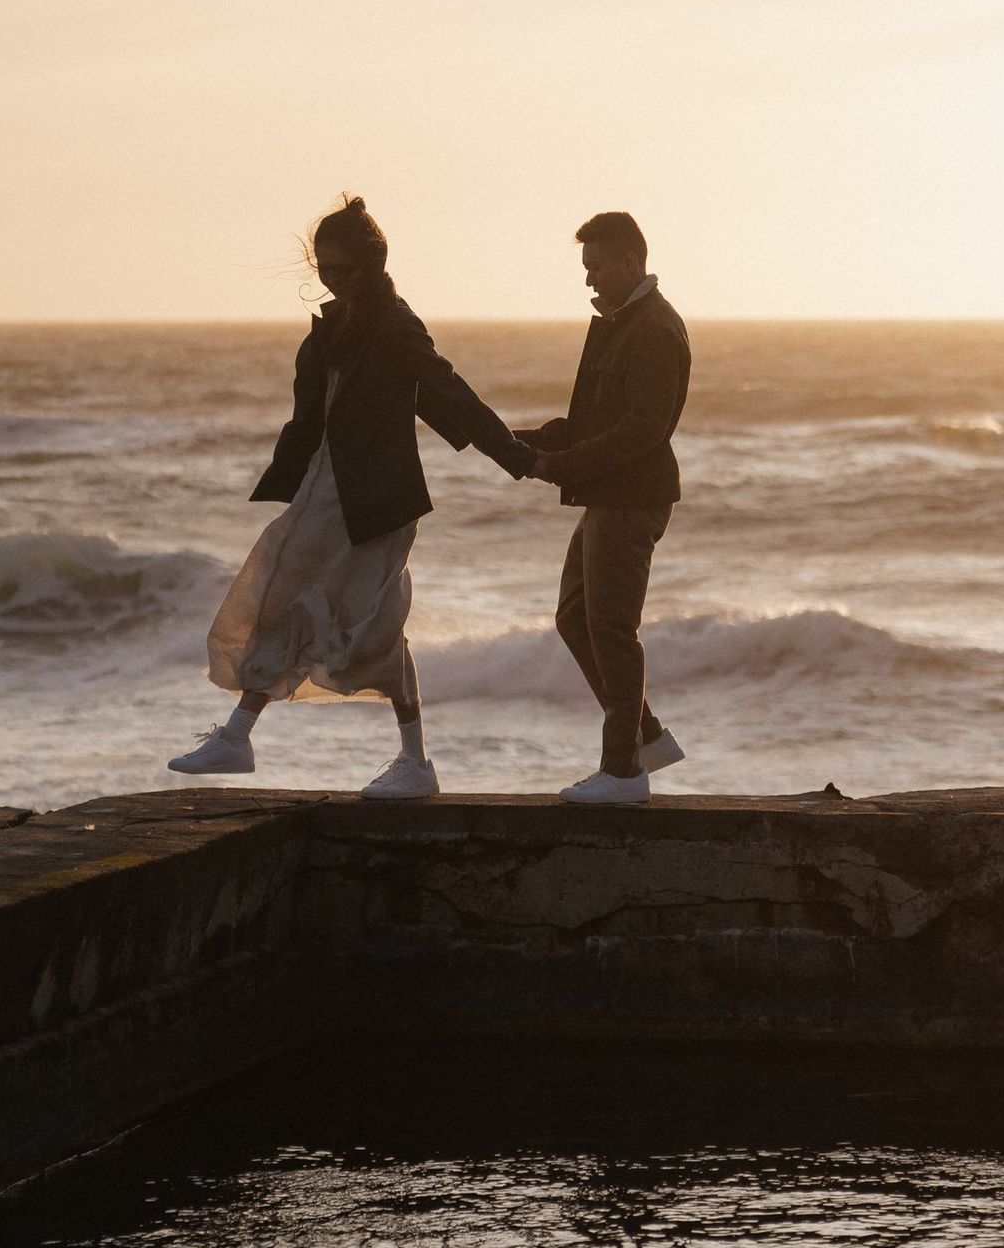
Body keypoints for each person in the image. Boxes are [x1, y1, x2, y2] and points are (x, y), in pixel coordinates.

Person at [170, 195, 533, 802]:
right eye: (324, 270)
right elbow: (316, 414)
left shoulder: (395, 324)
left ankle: (388, 757)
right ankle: (263, 740)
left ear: (374, 261)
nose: (332, 281)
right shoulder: (334, 327)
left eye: (344, 270)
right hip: (324, 489)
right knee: (292, 604)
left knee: (350, 620)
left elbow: (447, 391)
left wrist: (517, 455)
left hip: (373, 502)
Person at [521, 211, 692, 807]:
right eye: (586, 268)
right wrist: (526, 442)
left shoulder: (652, 330)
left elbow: (641, 431)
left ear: (628, 262)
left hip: (632, 498)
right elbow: (590, 425)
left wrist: (560, 466)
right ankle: (645, 736)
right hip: (608, 497)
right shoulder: (620, 324)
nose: (589, 281)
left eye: (596, 267)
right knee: (575, 617)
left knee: (613, 630)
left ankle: (623, 772)